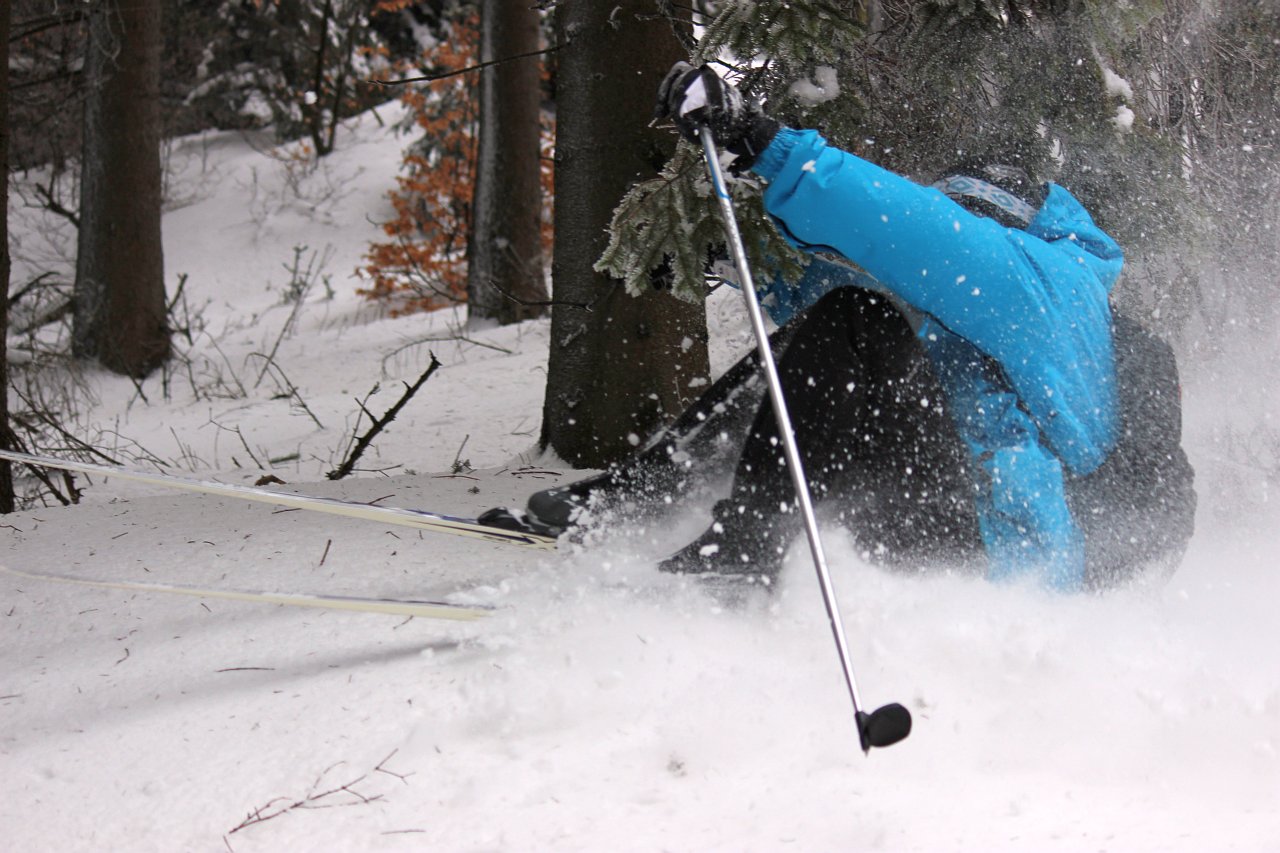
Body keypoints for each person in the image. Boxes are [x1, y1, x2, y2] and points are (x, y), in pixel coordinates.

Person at [483, 63, 1196, 592]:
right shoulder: (988, 315)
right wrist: (725, 264)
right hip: (954, 516)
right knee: (847, 322)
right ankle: (638, 500)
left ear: (998, 220)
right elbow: (832, 307)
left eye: (960, 215)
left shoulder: (1048, 283)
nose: (949, 227)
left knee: (859, 319)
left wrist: (759, 139)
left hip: (1015, 547)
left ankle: (747, 540)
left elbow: (914, 234)